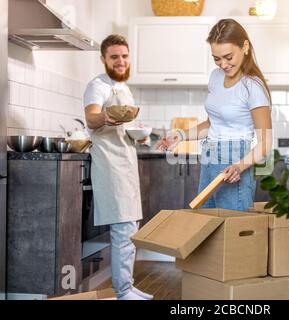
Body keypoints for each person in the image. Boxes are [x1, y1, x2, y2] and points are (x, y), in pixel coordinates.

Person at [156, 19, 272, 211]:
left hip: (235, 162)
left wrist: (239, 167)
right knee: (206, 226)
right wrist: (181, 136)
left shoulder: (253, 86)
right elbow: (212, 124)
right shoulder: (215, 77)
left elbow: (266, 143)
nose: (223, 64)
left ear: (245, 46)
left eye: (228, 57)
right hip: (209, 158)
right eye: (217, 58)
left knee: (231, 231)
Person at [83, 34, 153, 300]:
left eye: (124, 56)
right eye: (114, 57)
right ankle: (122, 292)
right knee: (123, 227)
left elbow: (126, 125)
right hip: (110, 164)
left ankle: (127, 285)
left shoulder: (123, 87)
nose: (121, 61)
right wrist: (106, 117)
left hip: (125, 161)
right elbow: (91, 118)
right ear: (103, 59)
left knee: (130, 224)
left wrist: (139, 134)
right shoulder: (97, 85)